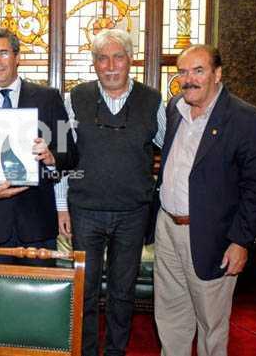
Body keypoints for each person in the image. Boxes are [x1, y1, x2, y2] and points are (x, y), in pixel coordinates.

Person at [152, 44, 256, 356]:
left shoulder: (245, 119)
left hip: (212, 236)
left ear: (217, 74)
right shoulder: (175, 107)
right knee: (170, 316)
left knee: (211, 324)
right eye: (182, 72)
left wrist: (241, 241)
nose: (188, 79)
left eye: (198, 71)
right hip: (167, 228)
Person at [55, 28, 166, 356]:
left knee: (122, 291)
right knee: (85, 289)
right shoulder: (74, 99)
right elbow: (62, 156)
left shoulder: (152, 101)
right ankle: (87, 350)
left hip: (133, 213)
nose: (111, 65)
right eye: (102, 59)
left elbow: (174, 147)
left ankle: (116, 351)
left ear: (130, 60)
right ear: (94, 64)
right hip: (85, 211)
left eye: (118, 57)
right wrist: (61, 206)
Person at [0, 28, 77, 265]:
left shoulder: (48, 98)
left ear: (17, 57)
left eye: (3, 53)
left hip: (38, 224)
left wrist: (52, 159)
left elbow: (69, 153)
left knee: (41, 288)